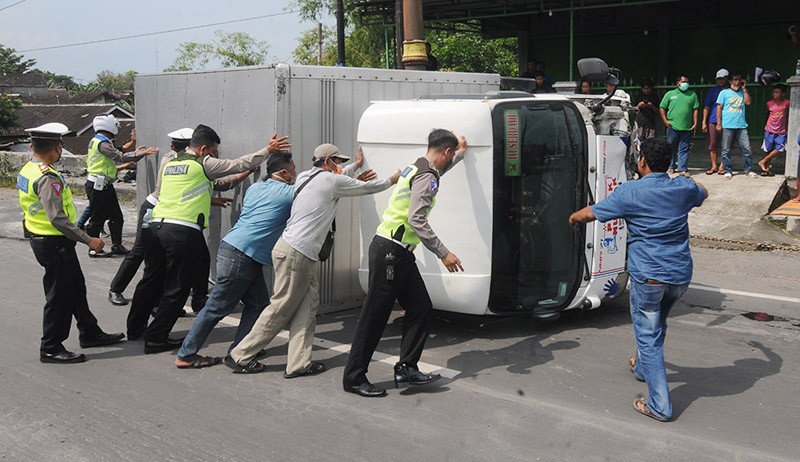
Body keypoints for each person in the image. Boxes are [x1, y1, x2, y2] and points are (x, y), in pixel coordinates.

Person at [225, 143, 400, 376]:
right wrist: (395, 178)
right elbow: (367, 188)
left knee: (307, 309)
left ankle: (299, 364)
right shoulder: (331, 181)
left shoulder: (306, 177)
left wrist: (354, 166)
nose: (340, 166)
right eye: (337, 162)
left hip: (294, 251)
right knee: (281, 308)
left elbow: (333, 180)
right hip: (297, 253)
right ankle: (240, 355)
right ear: (327, 162)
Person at [569, 138, 708, 421]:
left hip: (650, 275)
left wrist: (572, 218)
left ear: (642, 162)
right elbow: (703, 192)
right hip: (680, 275)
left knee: (649, 337)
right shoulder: (682, 187)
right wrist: (687, 181)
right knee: (657, 323)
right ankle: (643, 368)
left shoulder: (630, 191)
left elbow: (590, 214)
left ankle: (660, 406)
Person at [125, 125, 290, 354]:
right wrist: (267, 150)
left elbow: (184, 191)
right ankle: (156, 338)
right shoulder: (201, 163)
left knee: (151, 279)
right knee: (177, 288)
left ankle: (135, 328)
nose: (214, 156)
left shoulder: (171, 163)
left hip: (155, 227)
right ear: (204, 149)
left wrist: (211, 199)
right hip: (181, 231)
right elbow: (236, 164)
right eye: (213, 151)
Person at [343, 129, 467, 398]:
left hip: (397, 253)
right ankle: (353, 378)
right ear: (446, 151)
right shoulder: (427, 175)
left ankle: (406, 368)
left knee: (421, 307)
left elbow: (435, 177)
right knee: (375, 316)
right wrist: (443, 252)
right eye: (451, 155)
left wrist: (459, 155)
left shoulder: (417, 167)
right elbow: (416, 219)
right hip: (391, 253)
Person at [17, 123, 125, 363]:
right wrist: (89, 239)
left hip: (44, 239)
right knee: (60, 296)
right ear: (57, 147)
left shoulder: (28, 169)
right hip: (52, 242)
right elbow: (57, 218)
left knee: (76, 286)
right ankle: (51, 347)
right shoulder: (47, 177)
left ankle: (90, 332)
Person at [107, 128, 193, 306]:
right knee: (139, 250)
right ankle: (115, 289)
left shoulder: (178, 158)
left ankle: (157, 301)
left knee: (160, 257)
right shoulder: (173, 159)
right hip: (153, 208)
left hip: (162, 211)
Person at [84, 115, 158, 257]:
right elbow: (121, 156)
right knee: (97, 219)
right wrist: (143, 153)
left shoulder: (101, 141)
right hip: (97, 186)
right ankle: (93, 249)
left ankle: (117, 246)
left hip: (104, 185)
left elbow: (119, 150)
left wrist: (135, 148)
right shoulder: (102, 143)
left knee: (117, 217)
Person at [716, 71, 755, 179]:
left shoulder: (742, 92)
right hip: (728, 124)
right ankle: (728, 169)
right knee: (726, 149)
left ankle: (748, 169)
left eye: (739, 79)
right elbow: (719, 108)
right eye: (735, 80)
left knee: (746, 148)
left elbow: (748, 102)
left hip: (741, 125)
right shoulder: (724, 93)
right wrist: (719, 123)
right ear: (730, 81)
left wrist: (744, 89)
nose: (737, 82)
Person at [659, 74, 699, 176]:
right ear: (678, 84)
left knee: (684, 149)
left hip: (687, 127)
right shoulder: (670, 94)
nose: (686, 84)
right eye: (683, 82)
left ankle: (682, 169)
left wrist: (695, 123)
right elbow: (662, 107)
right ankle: (671, 166)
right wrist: (665, 121)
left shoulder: (692, 94)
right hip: (672, 126)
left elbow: (695, 110)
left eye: (687, 82)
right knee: (671, 147)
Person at [701, 69, 730, 175]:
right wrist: (704, 121)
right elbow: (706, 107)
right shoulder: (713, 91)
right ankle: (714, 165)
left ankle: (723, 165)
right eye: (719, 79)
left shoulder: (732, 90)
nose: (721, 81)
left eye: (723, 78)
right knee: (712, 144)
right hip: (713, 120)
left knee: (726, 145)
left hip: (728, 121)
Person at [757, 84, 790, 176]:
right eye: (774, 92)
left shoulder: (787, 103)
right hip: (770, 129)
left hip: (781, 130)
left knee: (780, 148)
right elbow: (767, 115)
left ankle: (762, 161)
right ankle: (765, 168)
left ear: (783, 94)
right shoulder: (769, 103)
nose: (775, 94)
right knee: (768, 149)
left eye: (778, 92)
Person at [632, 78, 659, 159]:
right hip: (640, 122)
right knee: (638, 141)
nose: (646, 90)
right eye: (644, 88)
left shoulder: (654, 97)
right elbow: (633, 110)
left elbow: (657, 111)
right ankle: (639, 158)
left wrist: (651, 105)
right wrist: (639, 105)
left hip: (650, 123)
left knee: (650, 142)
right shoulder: (638, 97)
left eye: (648, 88)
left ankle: (648, 158)